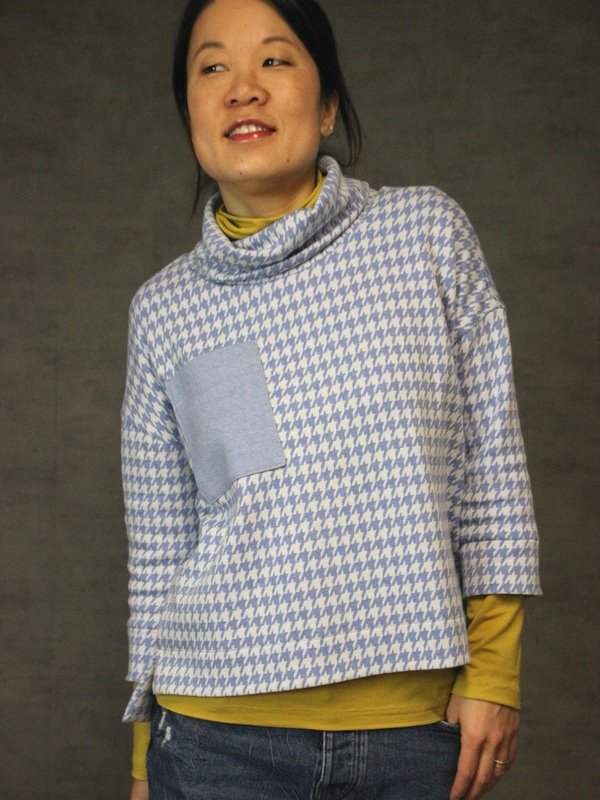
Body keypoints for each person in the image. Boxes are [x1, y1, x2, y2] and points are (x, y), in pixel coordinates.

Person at [120, 0, 542, 798]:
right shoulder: (164, 310)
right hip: (211, 743)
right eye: (213, 67)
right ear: (190, 114)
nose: (242, 87)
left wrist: (494, 672)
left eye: (275, 60)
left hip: (411, 739)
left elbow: (489, 466)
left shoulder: (424, 236)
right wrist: (147, 762)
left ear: (327, 106)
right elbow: (160, 549)